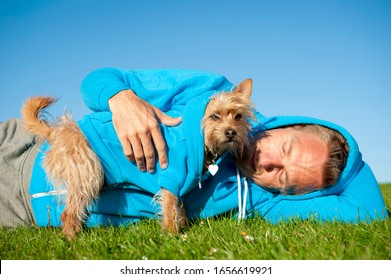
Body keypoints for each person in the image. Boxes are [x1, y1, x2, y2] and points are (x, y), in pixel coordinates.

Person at [0, 68, 388, 229]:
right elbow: (98, 79)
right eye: (283, 146)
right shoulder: (207, 90)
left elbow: (369, 210)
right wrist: (120, 98)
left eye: (282, 177)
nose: (265, 161)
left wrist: (347, 157)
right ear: (285, 122)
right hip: (28, 141)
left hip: (23, 207)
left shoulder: (258, 199)